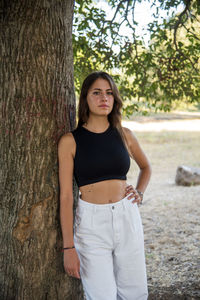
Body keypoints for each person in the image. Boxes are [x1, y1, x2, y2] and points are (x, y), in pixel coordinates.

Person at [58, 71, 152, 300]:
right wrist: (68, 248)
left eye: (109, 93)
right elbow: (66, 197)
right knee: (101, 295)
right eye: (97, 93)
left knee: (135, 293)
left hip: (127, 216)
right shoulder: (70, 141)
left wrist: (139, 192)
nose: (104, 98)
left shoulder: (125, 135)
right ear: (85, 98)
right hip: (91, 225)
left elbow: (146, 167)